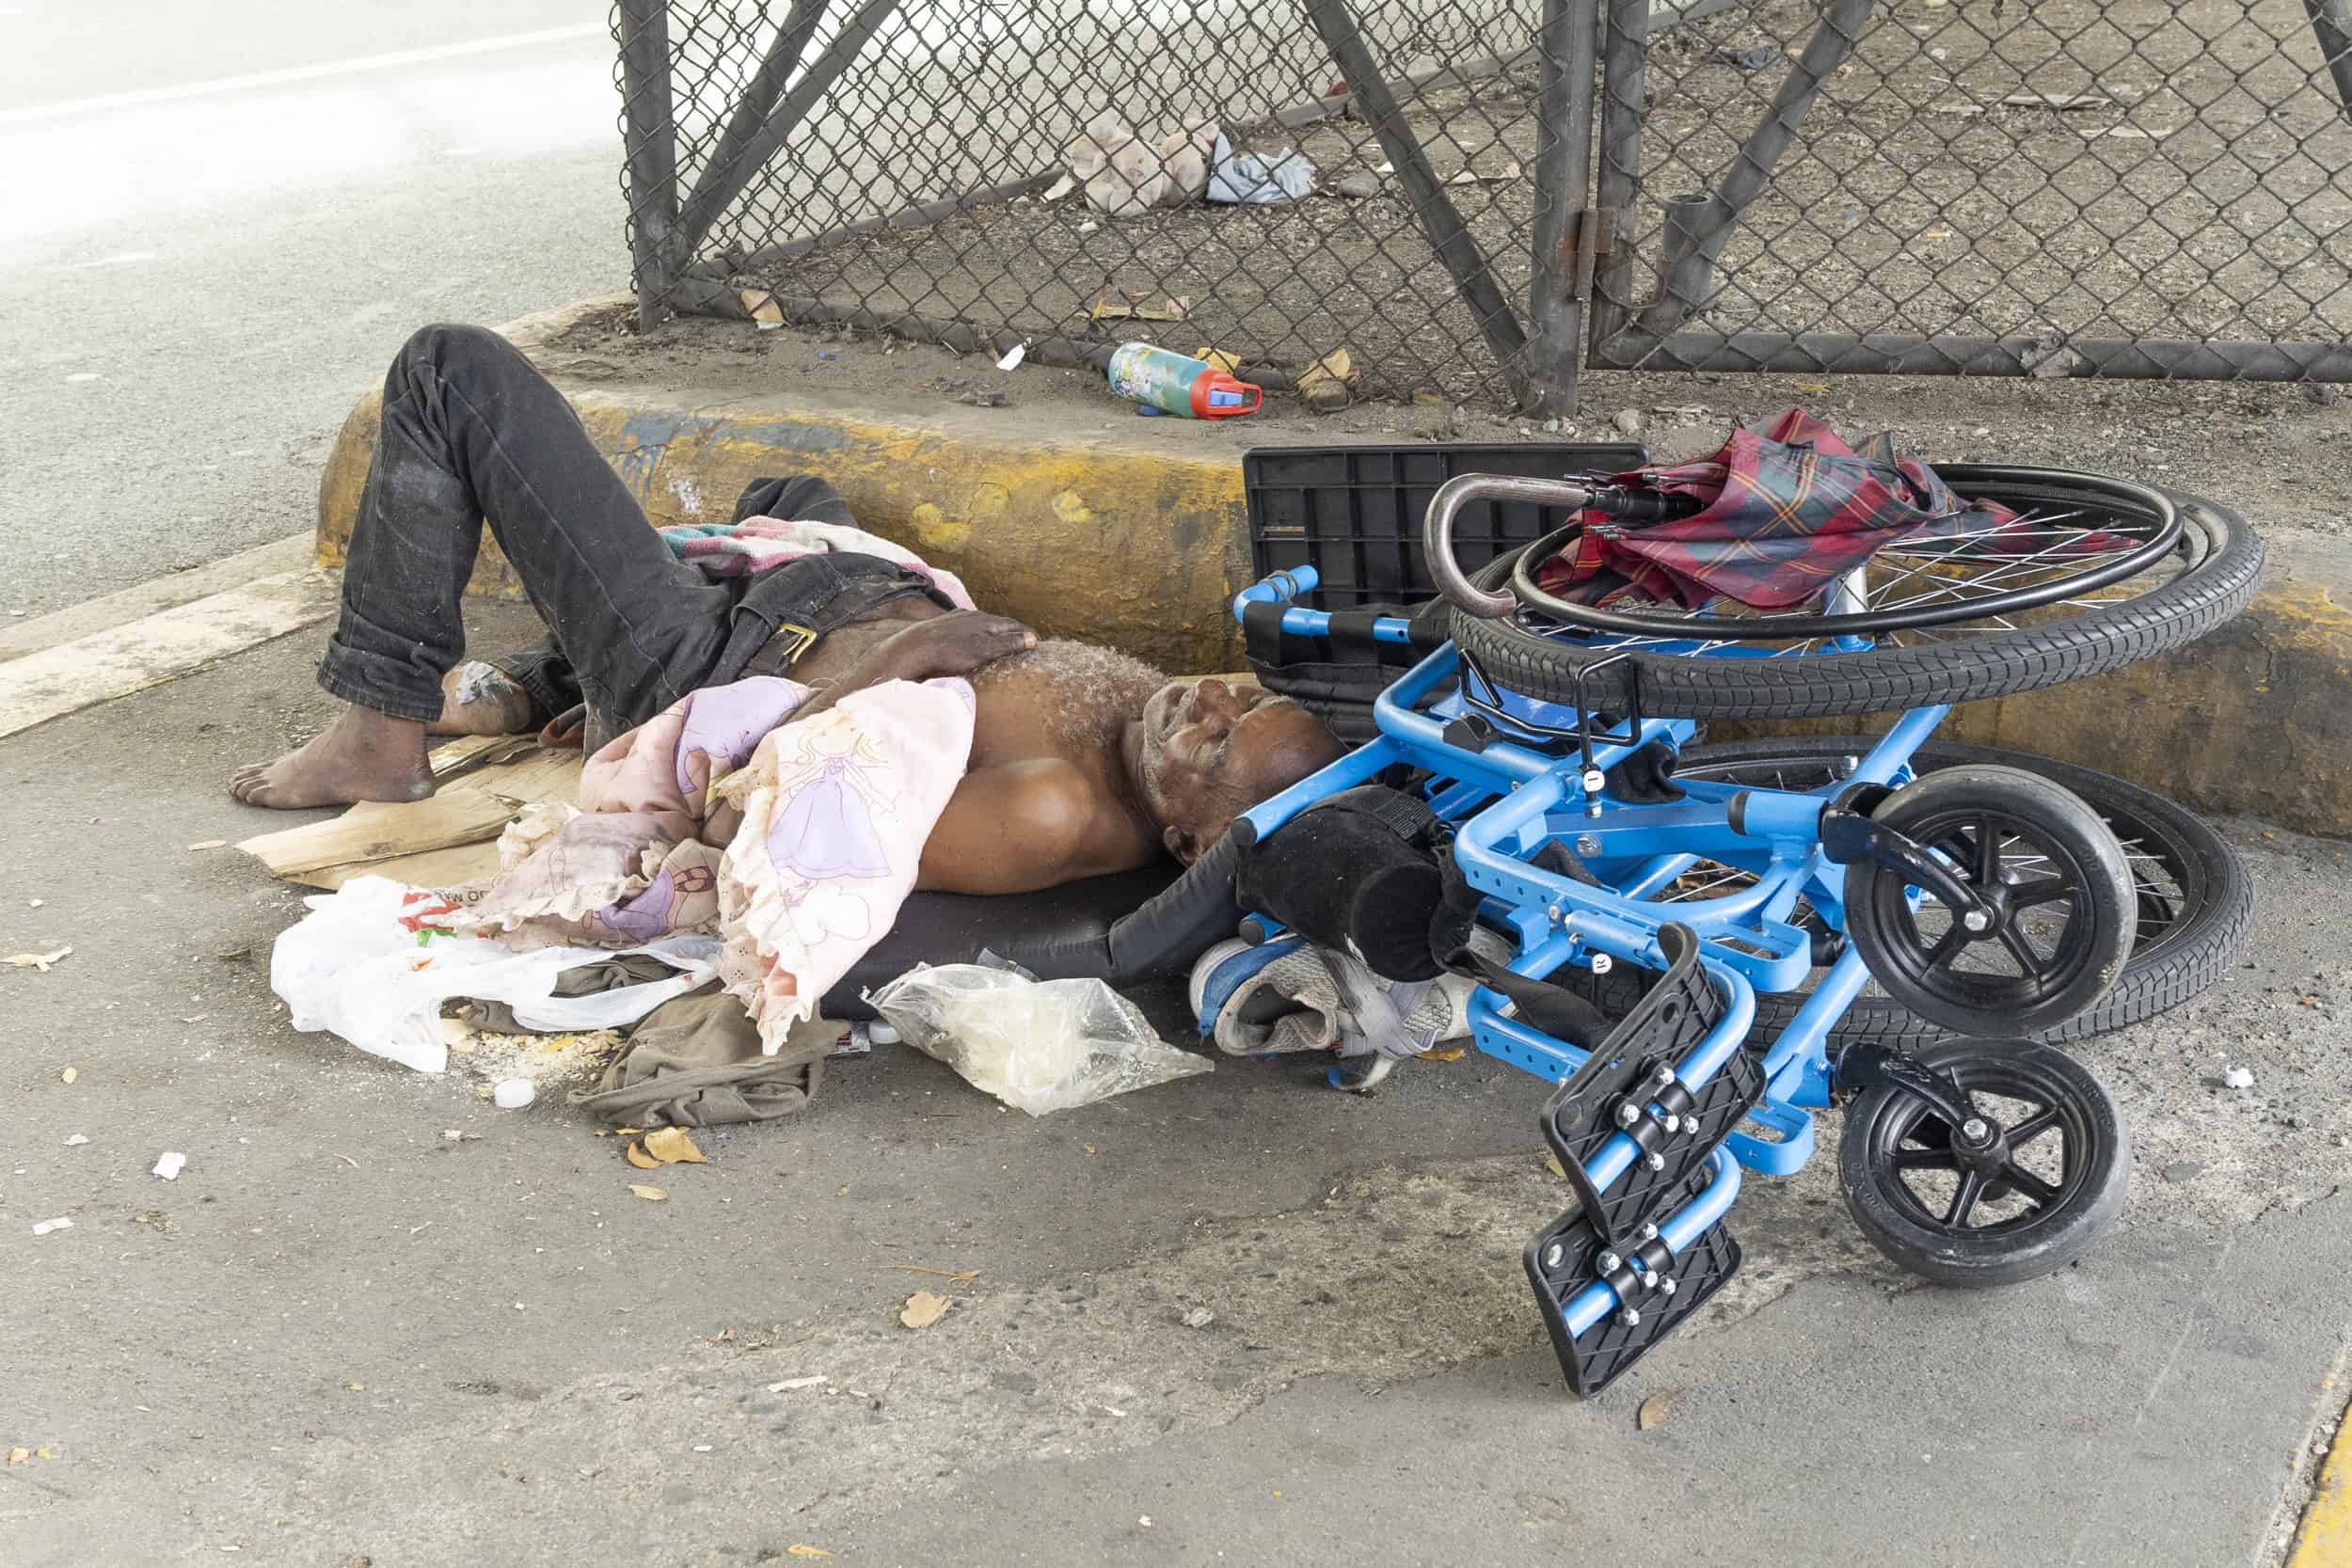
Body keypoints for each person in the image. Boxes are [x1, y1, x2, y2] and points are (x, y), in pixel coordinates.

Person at [231, 325, 1344, 895]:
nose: (1205, 698)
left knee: (450, 369)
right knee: (788, 498)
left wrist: (903, 651)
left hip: (715, 665)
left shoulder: (1051, 813)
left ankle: (380, 728)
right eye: (1236, 695)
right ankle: (541, 679)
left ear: (1192, 838)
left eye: (1219, 735)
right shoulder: (1152, 734)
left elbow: (763, 812)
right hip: (825, 592)